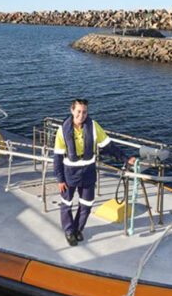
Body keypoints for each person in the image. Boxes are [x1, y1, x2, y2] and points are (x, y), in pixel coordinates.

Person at [53, 99, 135, 246]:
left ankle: (78, 229)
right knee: (66, 204)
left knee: (86, 204)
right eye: (78, 111)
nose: (81, 115)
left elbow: (109, 146)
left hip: (88, 173)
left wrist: (126, 159)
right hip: (69, 173)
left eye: (84, 112)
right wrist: (60, 179)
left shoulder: (93, 127)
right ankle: (69, 231)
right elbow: (57, 157)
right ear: (72, 111)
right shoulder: (62, 130)